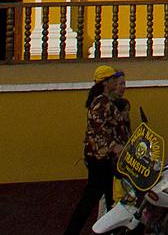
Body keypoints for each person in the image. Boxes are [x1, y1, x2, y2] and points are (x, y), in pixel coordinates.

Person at [62, 65, 130, 235]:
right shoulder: (101, 103)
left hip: (104, 159)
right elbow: (99, 132)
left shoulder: (106, 101)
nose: (116, 82)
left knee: (108, 198)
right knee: (92, 199)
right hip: (101, 159)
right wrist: (115, 147)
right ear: (106, 82)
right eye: (113, 79)